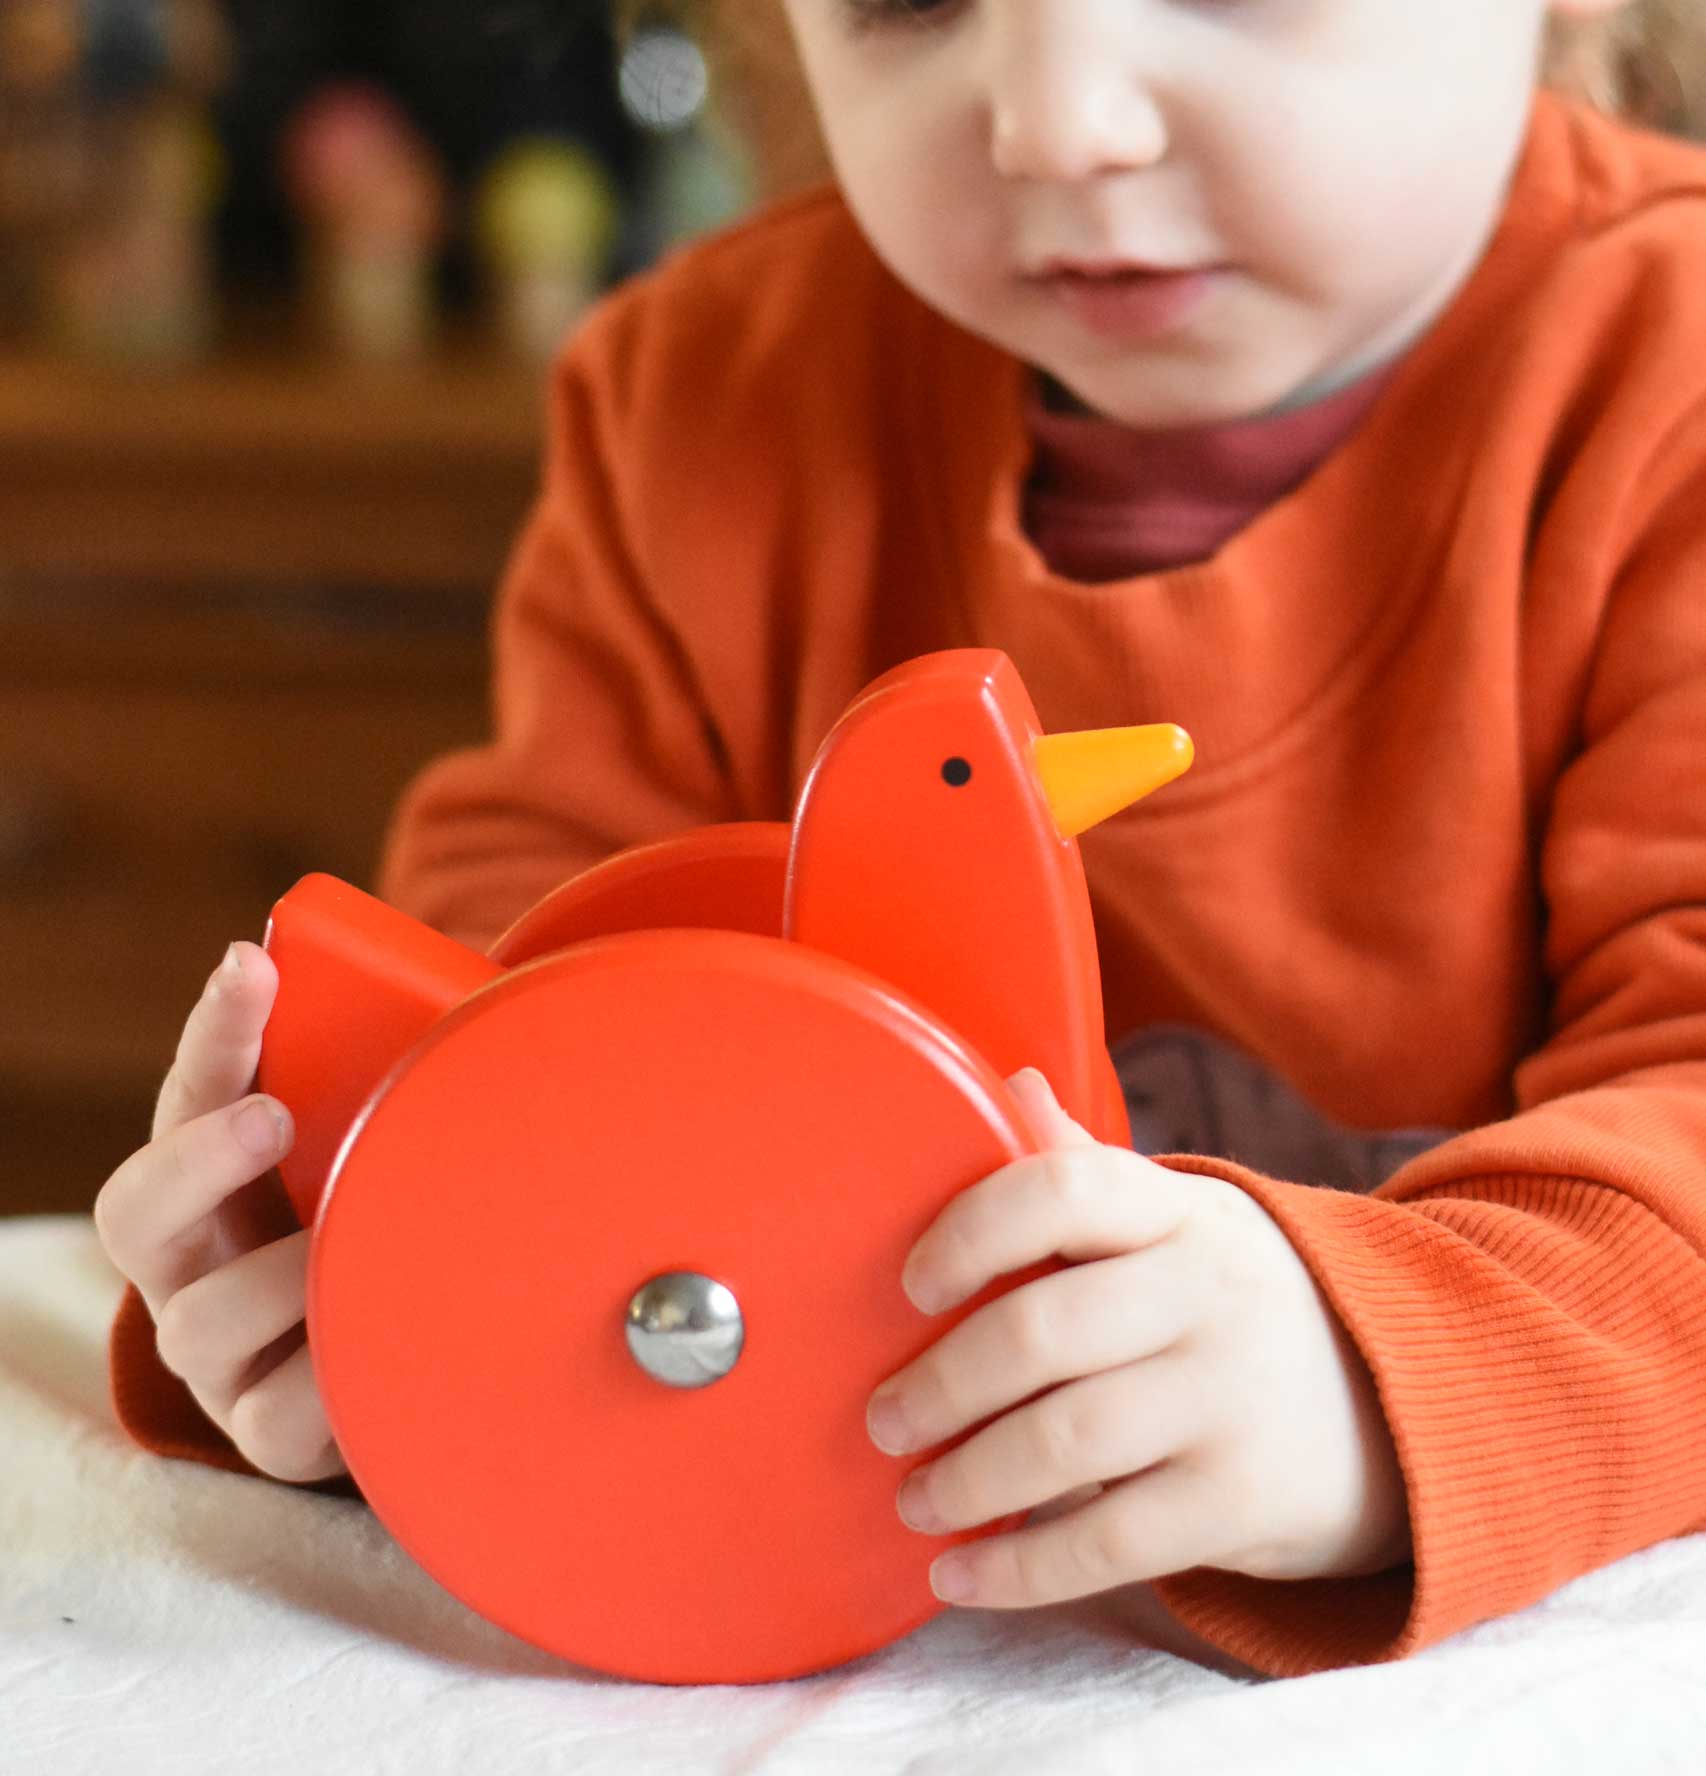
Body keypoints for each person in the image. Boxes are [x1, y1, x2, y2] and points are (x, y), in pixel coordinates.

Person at [94, 0, 1706, 1679]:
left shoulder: (1668, 383)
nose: (1056, 123)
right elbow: (509, 1006)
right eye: (908, 0)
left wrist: (1377, 1386)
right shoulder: (699, 395)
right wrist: (343, 1267)